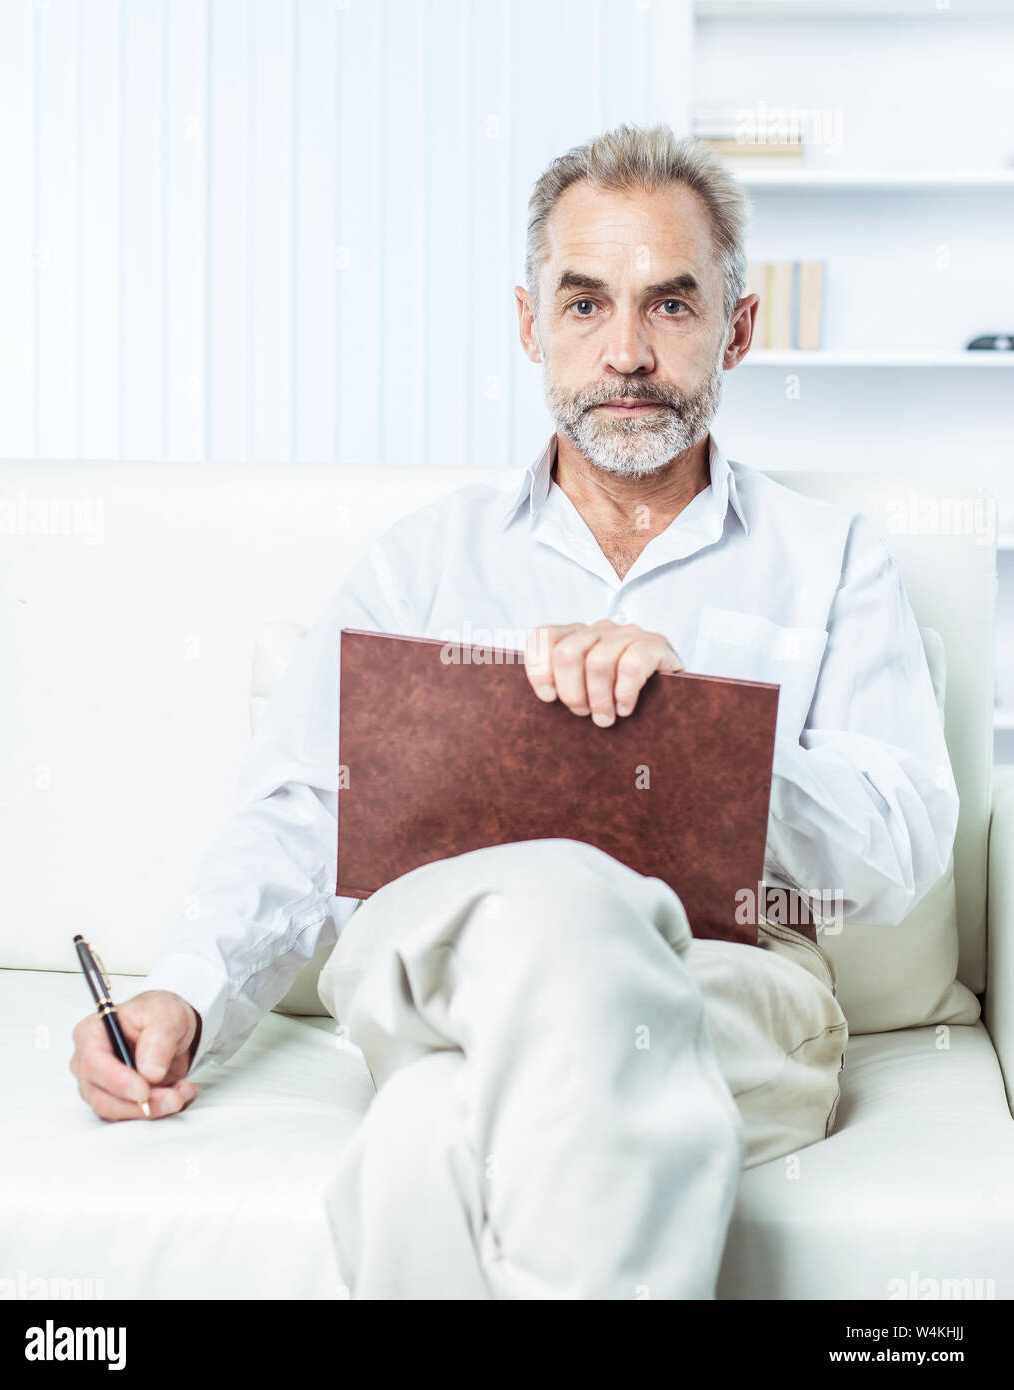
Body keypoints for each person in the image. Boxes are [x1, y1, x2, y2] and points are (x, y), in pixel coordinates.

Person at [69, 123, 957, 1299]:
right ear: (530, 326)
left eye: (672, 307)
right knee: (551, 916)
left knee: (432, 1134)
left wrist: (686, 729)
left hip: (720, 982)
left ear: (738, 331)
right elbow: (299, 810)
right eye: (586, 305)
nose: (627, 351)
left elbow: (902, 842)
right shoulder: (421, 563)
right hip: (449, 963)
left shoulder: (831, 559)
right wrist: (182, 989)